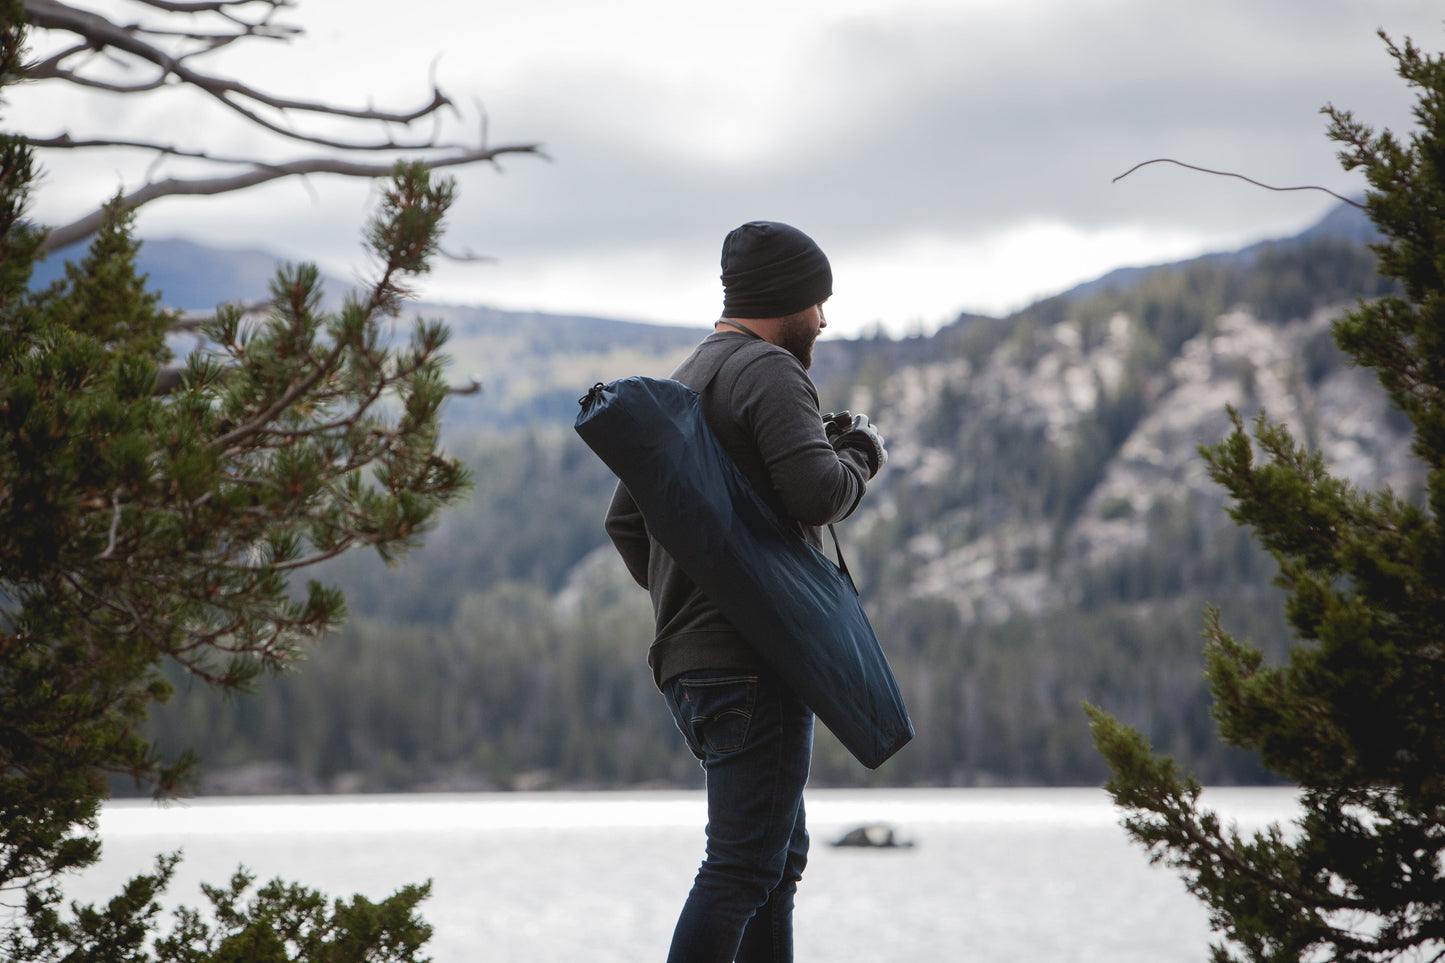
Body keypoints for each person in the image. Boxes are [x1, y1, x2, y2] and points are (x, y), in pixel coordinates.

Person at [604, 221, 887, 963]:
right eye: (816, 302)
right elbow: (816, 490)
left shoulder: (689, 376)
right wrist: (858, 452)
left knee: (773, 865)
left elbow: (624, 522)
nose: (823, 320)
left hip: (693, 666)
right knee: (740, 868)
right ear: (784, 300)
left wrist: (695, 596)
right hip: (754, 663)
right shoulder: (767, 371)